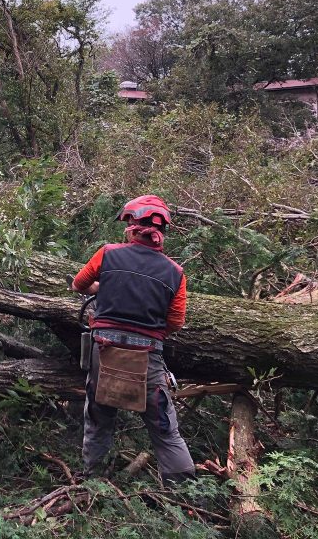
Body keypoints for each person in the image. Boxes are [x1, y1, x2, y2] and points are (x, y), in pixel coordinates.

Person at [71, 194, 196, 482]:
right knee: (164, 428)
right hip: (148, 359)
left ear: (131, 226)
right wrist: (150, 336)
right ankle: (187, 495)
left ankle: (91, 482)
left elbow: (80, 284)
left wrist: (108, 288)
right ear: (161, 233)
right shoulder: (175, 272)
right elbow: (176, 321)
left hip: (104, 350)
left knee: (99, 419)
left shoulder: (108, 254)